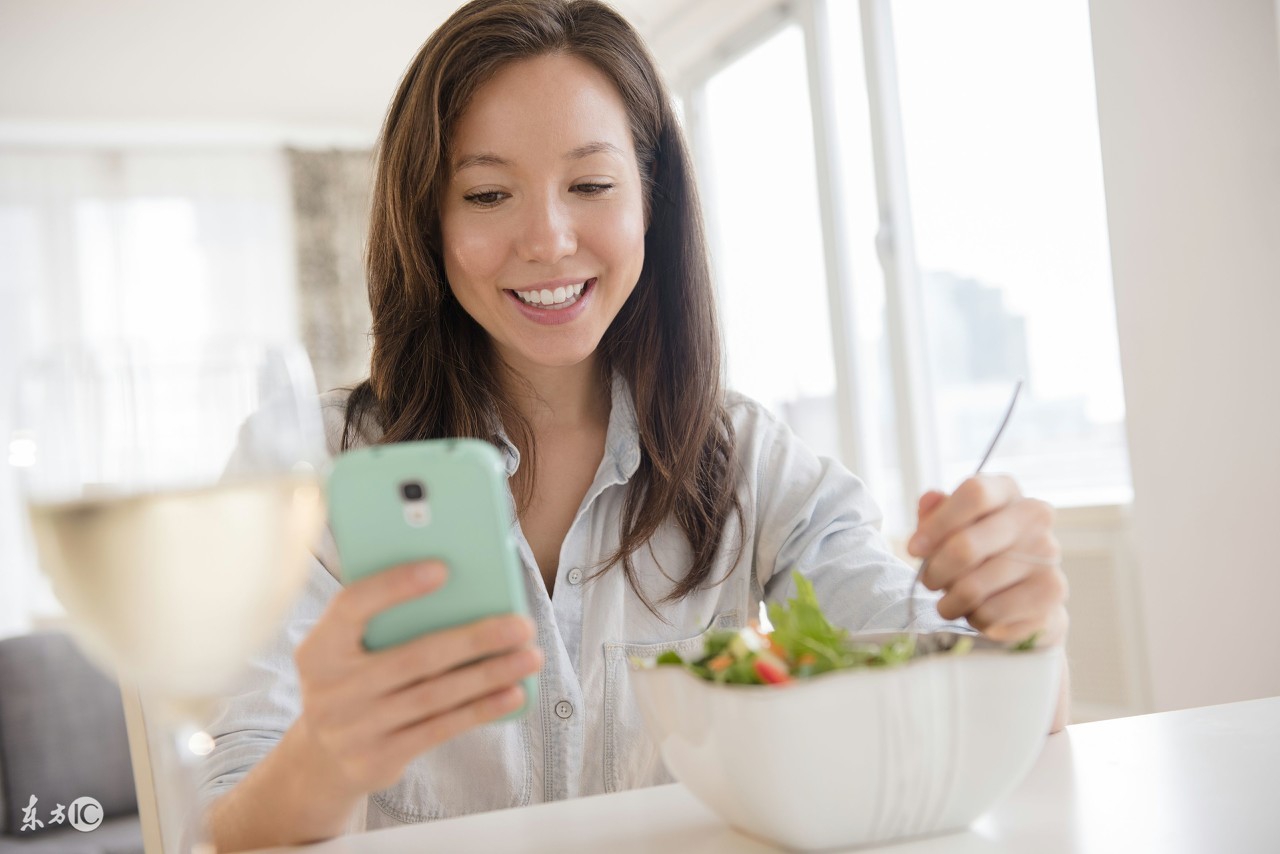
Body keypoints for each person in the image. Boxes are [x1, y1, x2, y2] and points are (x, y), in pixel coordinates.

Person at [202, 0, 1069, 849]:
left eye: (590, 185)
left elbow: (953, 699)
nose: (546, 239)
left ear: (651, 201)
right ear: (427, 222)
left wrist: (1019, 628)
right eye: (489, 192)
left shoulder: (749, 465)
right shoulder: (308, 469)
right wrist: (327, 754)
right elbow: (232, 822)